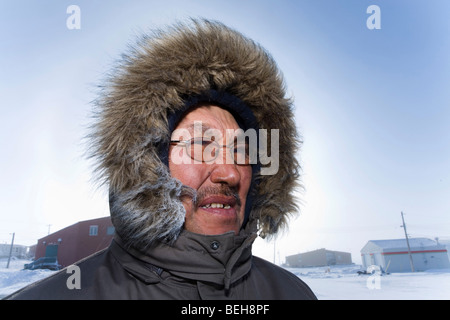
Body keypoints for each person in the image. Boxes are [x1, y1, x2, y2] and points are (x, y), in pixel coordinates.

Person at [7, 19, 316, 300]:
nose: (230, 173)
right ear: (147, 162)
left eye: (241, 150)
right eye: (200, 144)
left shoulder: (294, 294)